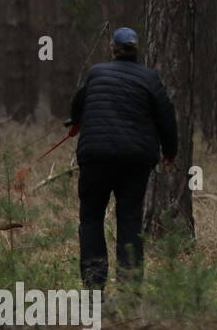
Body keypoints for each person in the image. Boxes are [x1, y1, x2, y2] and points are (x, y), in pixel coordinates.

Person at [69, 27, 177, 291]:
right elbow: (166, 116)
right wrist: (170, 152)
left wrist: (75, 121)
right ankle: (130, 290)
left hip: (95, 157)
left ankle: (94, 288)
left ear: (112, 48)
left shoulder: (96, 73)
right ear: (135, 50)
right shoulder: (149, 78)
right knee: (129, 219)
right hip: (135, 159)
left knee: (91, 218)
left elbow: (77, 104)